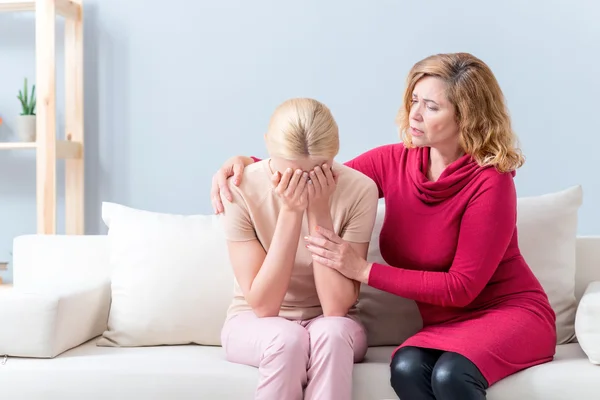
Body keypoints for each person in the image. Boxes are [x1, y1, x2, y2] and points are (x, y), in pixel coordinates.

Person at [210, 52, 557, 400]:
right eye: (414, 100)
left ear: (466, 117)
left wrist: (363, 270)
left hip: (510, 313)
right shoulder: (395, 160)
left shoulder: (490, 183)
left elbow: (461, 288)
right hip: (448, 325)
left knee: (451, 375)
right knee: (405, 366)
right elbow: (322, 175)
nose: (414, 114)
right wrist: (251, 165)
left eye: (431, 106)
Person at [217, 97, 379, 400]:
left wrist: (319, 211)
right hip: (253, 322)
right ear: (267, 145)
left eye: (316, 171)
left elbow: (335, 307)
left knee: (330, 334)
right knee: (287, 338)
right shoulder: (239, 189)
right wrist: (291, 213)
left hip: (334, 324)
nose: (303, 182)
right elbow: (264, 307)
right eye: (290, 173)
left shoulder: (359, 190)